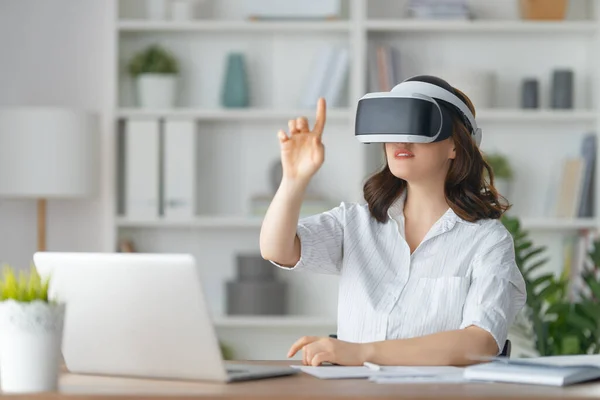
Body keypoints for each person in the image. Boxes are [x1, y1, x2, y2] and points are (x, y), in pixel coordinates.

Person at [259, 75, 526, 367]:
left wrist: (360, 353)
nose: (401, 140)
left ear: (456, 147)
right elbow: (277, 250)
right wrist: (294, 180)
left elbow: (481, 342)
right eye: (393, 125)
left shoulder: (487, 240)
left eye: (417, 126)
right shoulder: (355, 223)